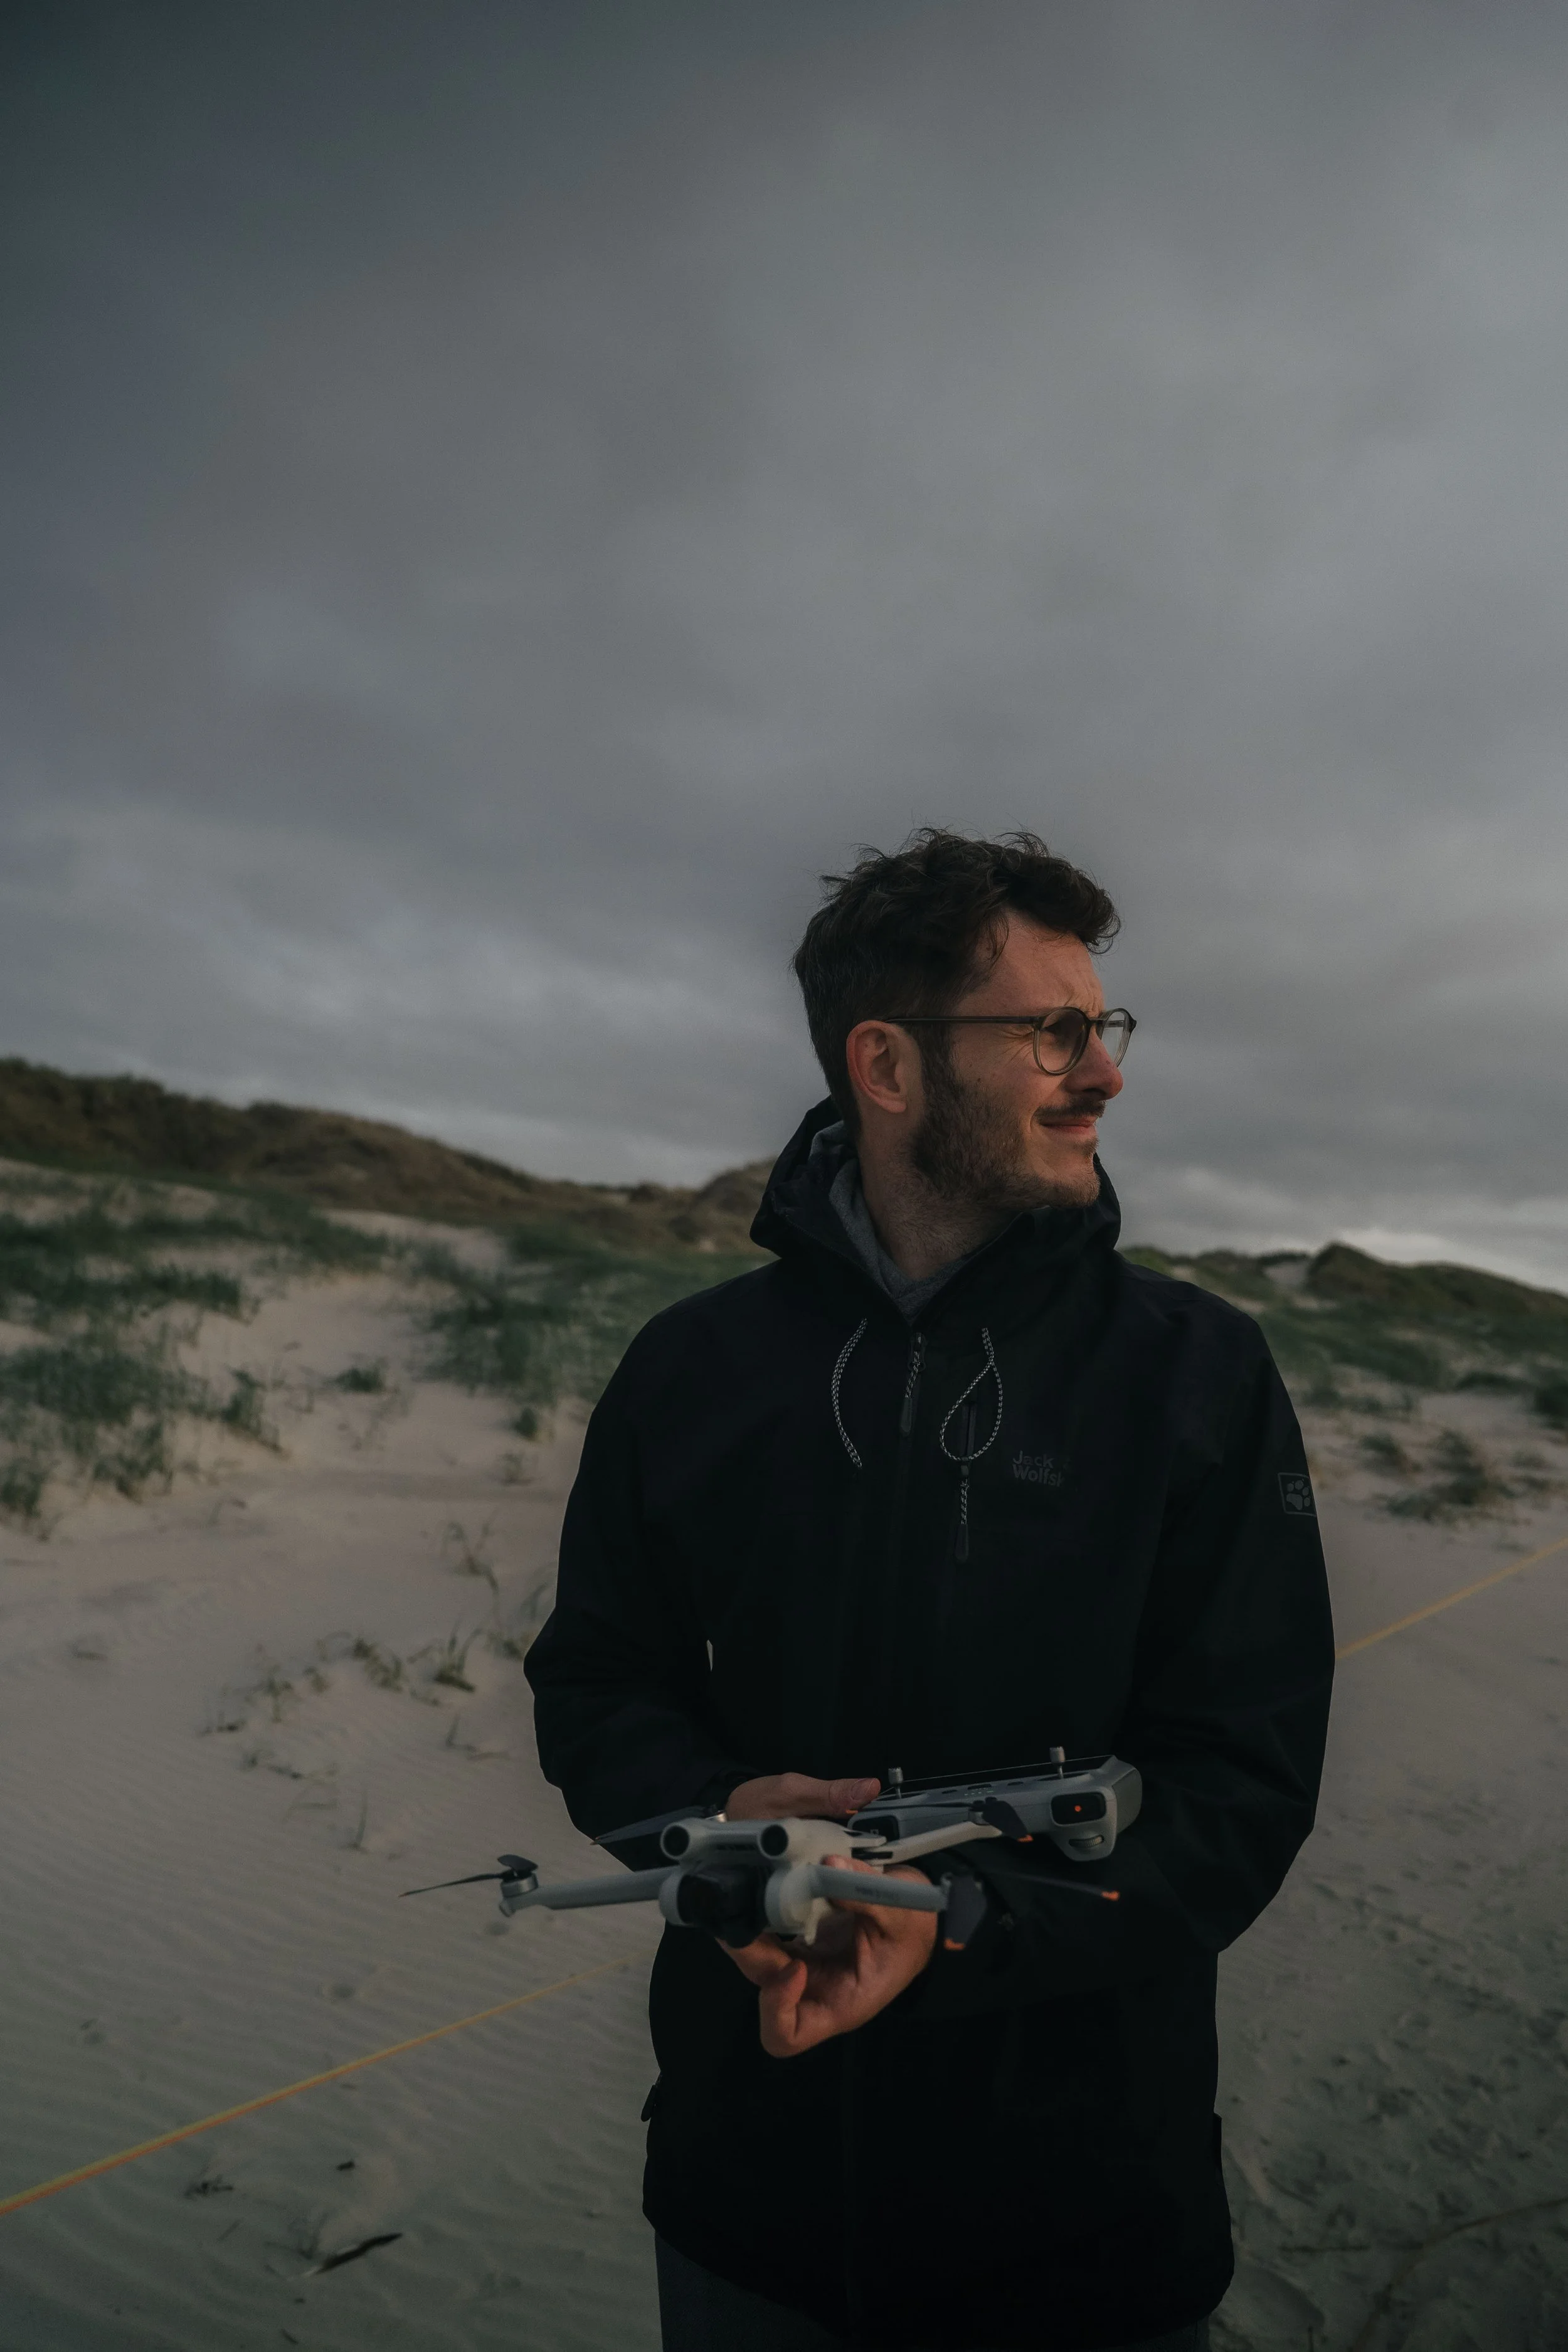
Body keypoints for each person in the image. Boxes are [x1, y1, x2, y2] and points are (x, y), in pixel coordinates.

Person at [526, 828, 1333, 2351]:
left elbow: (1243, 1785)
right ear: (885, 1066)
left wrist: (953, 1923)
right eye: (1050, 1031)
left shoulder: (1193, 1371)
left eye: (1105, 1028)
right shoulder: (692, 1369)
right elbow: (595, 1681)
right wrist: (710, 1819)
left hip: (1083, 2220)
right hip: (749, 2195)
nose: (1101, 1073)